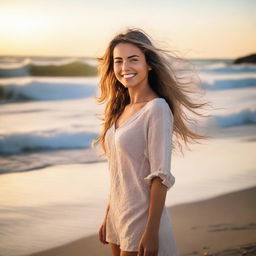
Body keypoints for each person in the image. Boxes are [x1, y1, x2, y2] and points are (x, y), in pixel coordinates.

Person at [92, 27, 210, 256]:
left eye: (133, 59)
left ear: (149, 64)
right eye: (118, 61)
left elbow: (160, 175)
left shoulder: (157, 108)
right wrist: (109, 215)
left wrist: (151, 231)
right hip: (118, 217)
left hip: (141, 220)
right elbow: (119, 173)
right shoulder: (119, 110)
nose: (125, 67)